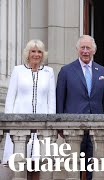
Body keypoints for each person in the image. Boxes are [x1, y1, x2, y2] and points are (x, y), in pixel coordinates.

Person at [56, 35, 104, 180]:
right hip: (73, 126)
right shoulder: (66, 71)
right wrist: (60, 124)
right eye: (82, 48)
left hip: (96, 126)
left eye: (88, 48)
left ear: (94, 51)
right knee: (74, 166)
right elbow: (60, 99)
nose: (85, 51)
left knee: (95, 166)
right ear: (77, 50)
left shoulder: (102, 71)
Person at [4, 39, 56, 179]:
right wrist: (9, 124)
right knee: (20, 163)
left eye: (39, 51)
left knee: (38, 164)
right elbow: (10, 98)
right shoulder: (18, 70)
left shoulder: (49, 72)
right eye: (33, 51)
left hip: (42, 126)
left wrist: (51, 125)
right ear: (28, 53)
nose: (36, 54)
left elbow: (51, 100)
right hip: (20, 124)